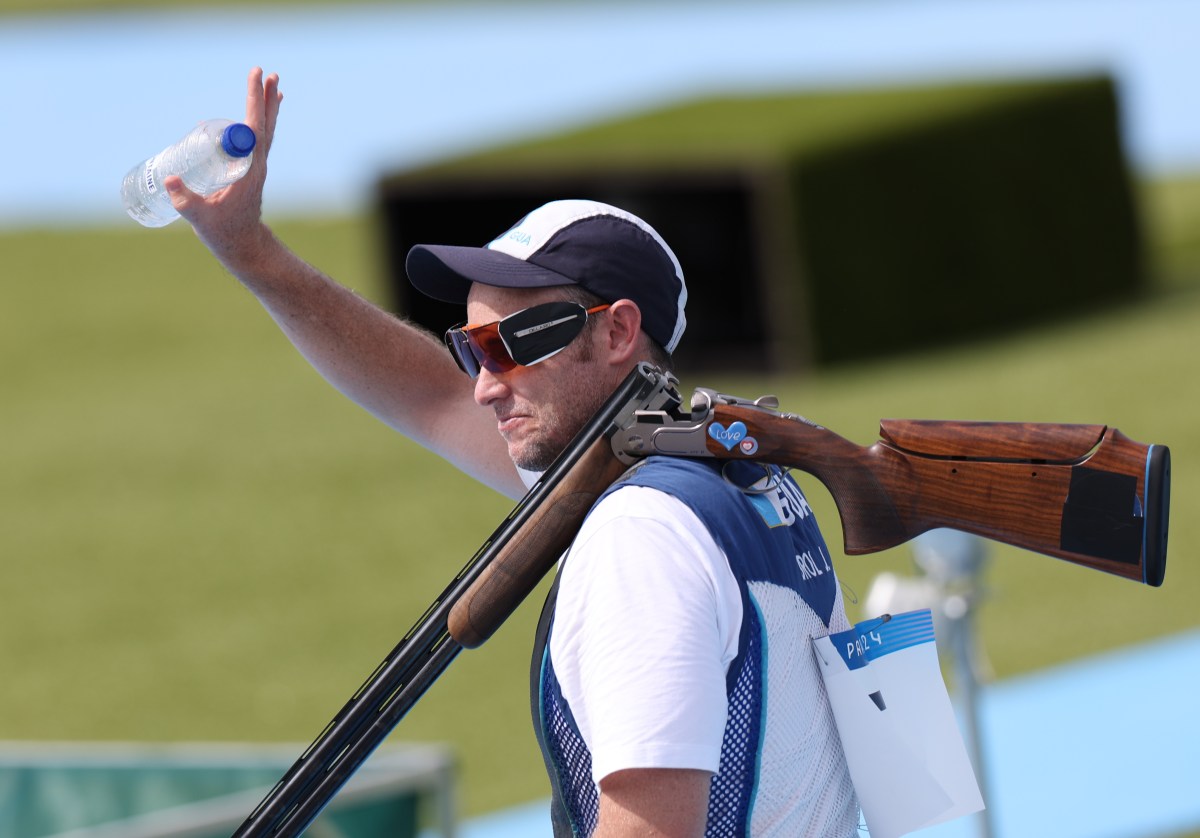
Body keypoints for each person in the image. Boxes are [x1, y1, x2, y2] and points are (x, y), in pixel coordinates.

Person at [167, 68, 861, 838]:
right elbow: (426, 393)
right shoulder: (722, 477)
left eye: (515, 344)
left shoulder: (641, 535)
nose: (483, 386)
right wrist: (252, 253)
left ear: (618, 333)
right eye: (473, 350)